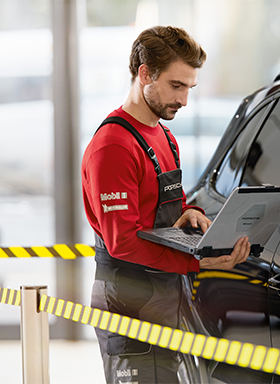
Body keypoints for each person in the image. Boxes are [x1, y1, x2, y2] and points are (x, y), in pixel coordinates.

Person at [81, 25, 250, 384]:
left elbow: (168, 204)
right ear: (145, 74)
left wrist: (190, 213)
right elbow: (123, 241)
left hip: (165, 295)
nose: (185, 100)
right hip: (128, 302)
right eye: (176, 86)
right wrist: (196, 259)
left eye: (190, 87)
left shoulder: (163, 135)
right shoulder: (113, 147)